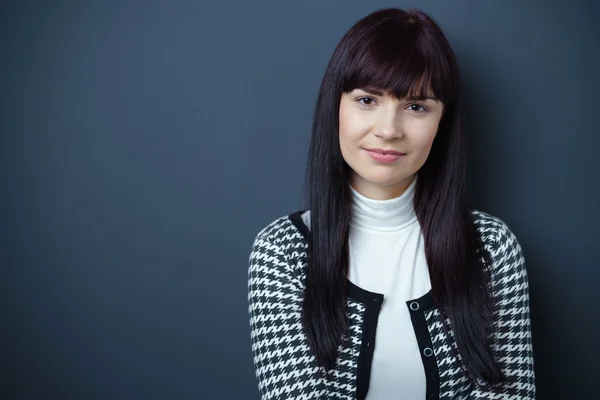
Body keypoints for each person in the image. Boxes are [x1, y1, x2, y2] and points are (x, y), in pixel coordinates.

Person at [247, 7, 535, 400]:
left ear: (442, 123)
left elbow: (509, 394)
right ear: (336, 107)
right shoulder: (283, 251)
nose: (388, 130)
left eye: (416, 106)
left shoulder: (490, 247)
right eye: (367, 100)